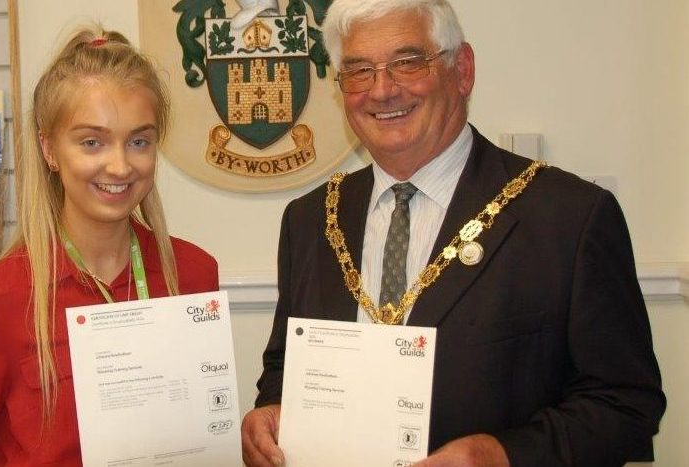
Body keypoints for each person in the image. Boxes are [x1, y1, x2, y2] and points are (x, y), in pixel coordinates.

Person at [241, 0, 665, 466]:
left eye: (407, 63)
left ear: (462, 70)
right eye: (359, 70)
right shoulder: (310, 220)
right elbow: (285, 369)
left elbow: (626, 406)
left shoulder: (569, 218)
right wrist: (268, 414)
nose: (381, 90)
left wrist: (502, 455)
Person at [0, 26, 218, 466]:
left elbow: (208, 432)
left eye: (139, 141)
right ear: (49, 148)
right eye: (91, 142)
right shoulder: (0, 299)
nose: (119, 165)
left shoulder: (194, 274)